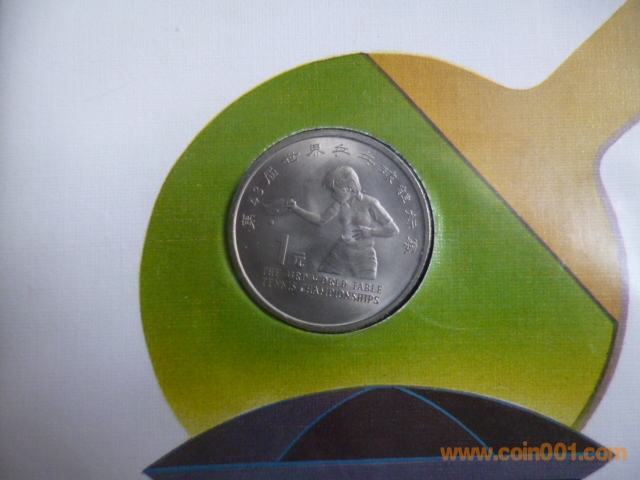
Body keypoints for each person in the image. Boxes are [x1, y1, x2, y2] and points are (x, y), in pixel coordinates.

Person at [286, 166, 399, 280]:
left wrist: (371, 232)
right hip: (341, 251)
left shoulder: (371, 203)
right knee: (322, 278)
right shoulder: (339, 204)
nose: (332, 195)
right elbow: (320, 220)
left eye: (334, 190)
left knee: (366, 283)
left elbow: (393, 230)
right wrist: (296, 209)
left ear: (346, 188)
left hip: (364, 255)